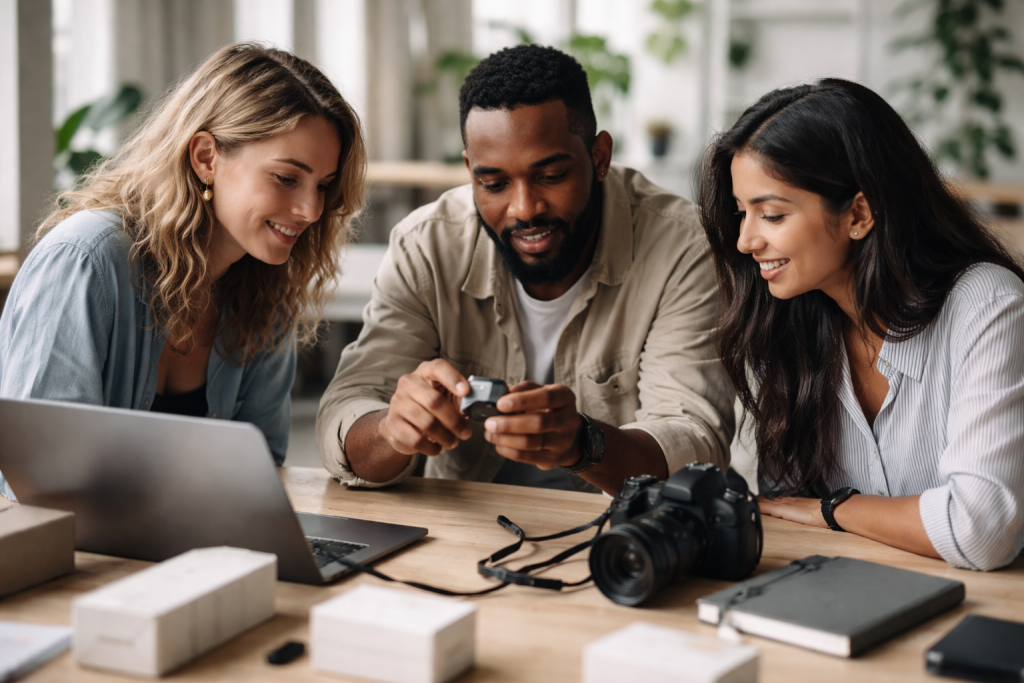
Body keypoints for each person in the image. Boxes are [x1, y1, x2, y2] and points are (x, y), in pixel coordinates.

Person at [317, 44, 734, 495]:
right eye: (493, 184)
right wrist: (390, 431)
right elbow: (345, 411)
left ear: (599, 157)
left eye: (551, 176)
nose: (524, 209)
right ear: (469, 171)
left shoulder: (682, 244)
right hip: (467, 534)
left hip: (621, 536)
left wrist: (583, 444)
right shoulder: (427, 245)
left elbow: (696, 442)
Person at [0, 43, 367, 500]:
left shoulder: (266, 289)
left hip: (190, 554)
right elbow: (39, 480)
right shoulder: (87, 260)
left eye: (324, 186)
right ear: (206, 158)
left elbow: (258, 473)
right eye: (287, 178)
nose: (311, 209)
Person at [697, 78, 1024, 570]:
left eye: (771, 214)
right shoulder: (786, 324)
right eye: (742, 213)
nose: (746, 241)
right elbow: (788, 514)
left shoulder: (987, 306)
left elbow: (980, 529)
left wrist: (835, 509)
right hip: (853, 598)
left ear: (860, 213)